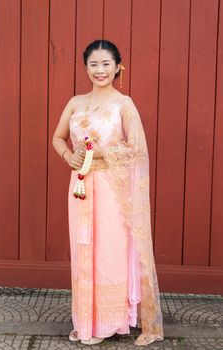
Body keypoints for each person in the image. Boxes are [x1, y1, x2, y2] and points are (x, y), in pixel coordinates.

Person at [52, 39, 164, 346]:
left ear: (118, 67)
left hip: (111, 190)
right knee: (83, 249)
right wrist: (68, 156)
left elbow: (136, 151)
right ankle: (85, 322)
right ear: (85, 67)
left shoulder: (124, 105)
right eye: (93, 64)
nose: (99, 70)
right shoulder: (75, 102)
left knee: (109, 252)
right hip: (81, 186)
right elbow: (58, 138)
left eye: (105, 64)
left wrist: (101, 152)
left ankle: (111, 322)